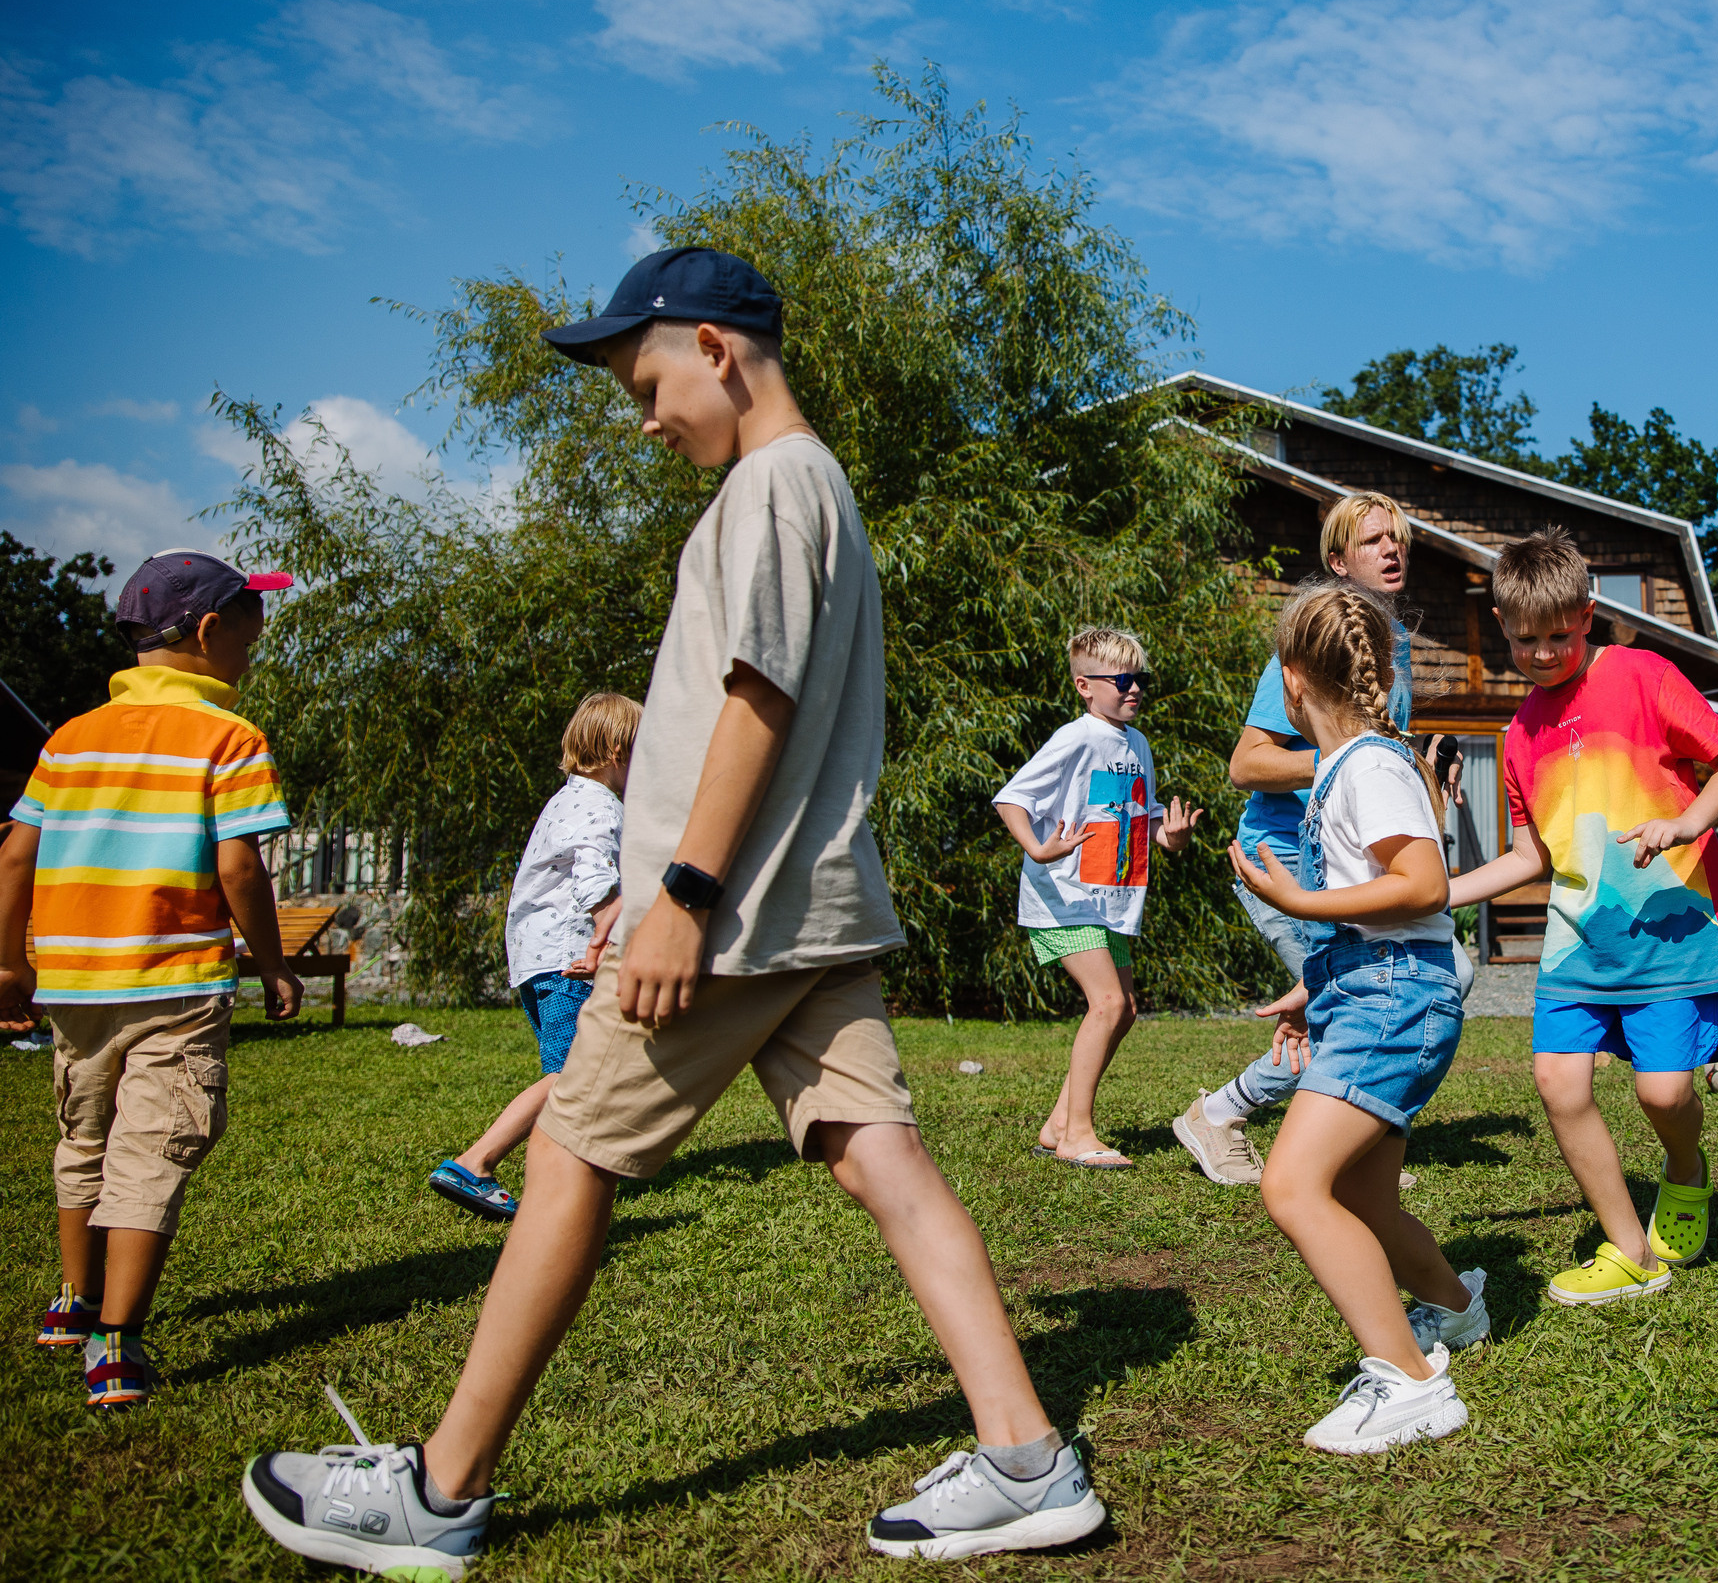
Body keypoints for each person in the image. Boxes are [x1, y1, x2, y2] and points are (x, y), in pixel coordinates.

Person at [241, 247, 1105, 1575]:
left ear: (715, 345)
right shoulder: (815, 488)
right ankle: (1026, 1456)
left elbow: (753, 697)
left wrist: (679, 899)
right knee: (887, 1161)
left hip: (737, 916)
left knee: (568, 1155)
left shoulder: (772, 484)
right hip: (811, 908)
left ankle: (439, 1487)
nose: (646, 421)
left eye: (646, 384)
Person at [0, 550, 304, 1411]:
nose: (256, 644)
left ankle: (73, 1301)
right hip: (173, 980)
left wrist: (10, 962)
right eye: (252, 626)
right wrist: (273, 963)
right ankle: (118, 1342)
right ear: (209, 632)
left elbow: (16, 852)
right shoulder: (229, 737)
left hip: (72, 984)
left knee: (83, 1136)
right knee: (156, 1147)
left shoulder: (69, 738)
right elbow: (239, 867)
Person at [1446, 526, 1718, 1306]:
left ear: (1588, 614)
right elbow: (1531, 857)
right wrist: (1438, 893)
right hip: (1576, 946)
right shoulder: (1520, 733)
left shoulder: (1643, 675)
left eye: (1560, 634)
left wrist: (1690, 823)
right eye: (1526, 639)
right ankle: (1630, 1251)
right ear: (1502, 626)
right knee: (1559, 1083)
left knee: (1663, 1096)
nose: (1545, 652)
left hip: (1668, 936)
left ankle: (1684, 1171)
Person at [1227, 580, 1484, 1452]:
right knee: (1364, 1194)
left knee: (1292, 1184)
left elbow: (1422, 883)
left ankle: (1410, 1380)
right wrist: (1317, 981)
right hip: (1371, 989)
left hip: (1394, 998)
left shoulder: (1370, 764)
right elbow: (1387, 905)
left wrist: (1298, 899)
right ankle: (1453, 1308)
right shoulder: (1352, 764)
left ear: (1292, 679)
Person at [1171, 493, 1472, 1186]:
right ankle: (1223, 1115)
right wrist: (1354, 757)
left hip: (1342, 869)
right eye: (1372, 542)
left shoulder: (1385, 651)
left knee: (1394, 988)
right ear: (1337, 561)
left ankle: (1327, 1137)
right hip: (1286, 865)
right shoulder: (1311, 647)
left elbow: (1377, 762)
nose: (1391, 550)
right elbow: (1245, 763)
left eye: (1398, 539)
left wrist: (1421, 767)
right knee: (1387, 990)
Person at [428, 692, 642, 1221]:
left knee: (581, 1071)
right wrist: (604, 945)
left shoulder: (564, 800)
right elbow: (597, 881)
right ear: (618, 750)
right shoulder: (598, 805)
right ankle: (475, 1162)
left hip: (539, 959)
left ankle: (573, 1172)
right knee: (570, 1074)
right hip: (570, 959)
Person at [991, 626, 1198, 1168]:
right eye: (1122, 680)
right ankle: (1078, 1135)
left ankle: (1057, 1123)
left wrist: (1168, 836)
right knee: (1106, 1003)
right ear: (1085, 685)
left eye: (1140, 679)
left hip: (1115, 898)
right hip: (1066, 897)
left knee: (1124, 1009)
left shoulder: (1138, 744)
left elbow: (1140, 817)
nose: (1135, 689)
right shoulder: (1076, 737)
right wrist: (1038, 849)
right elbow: (1012, 798)